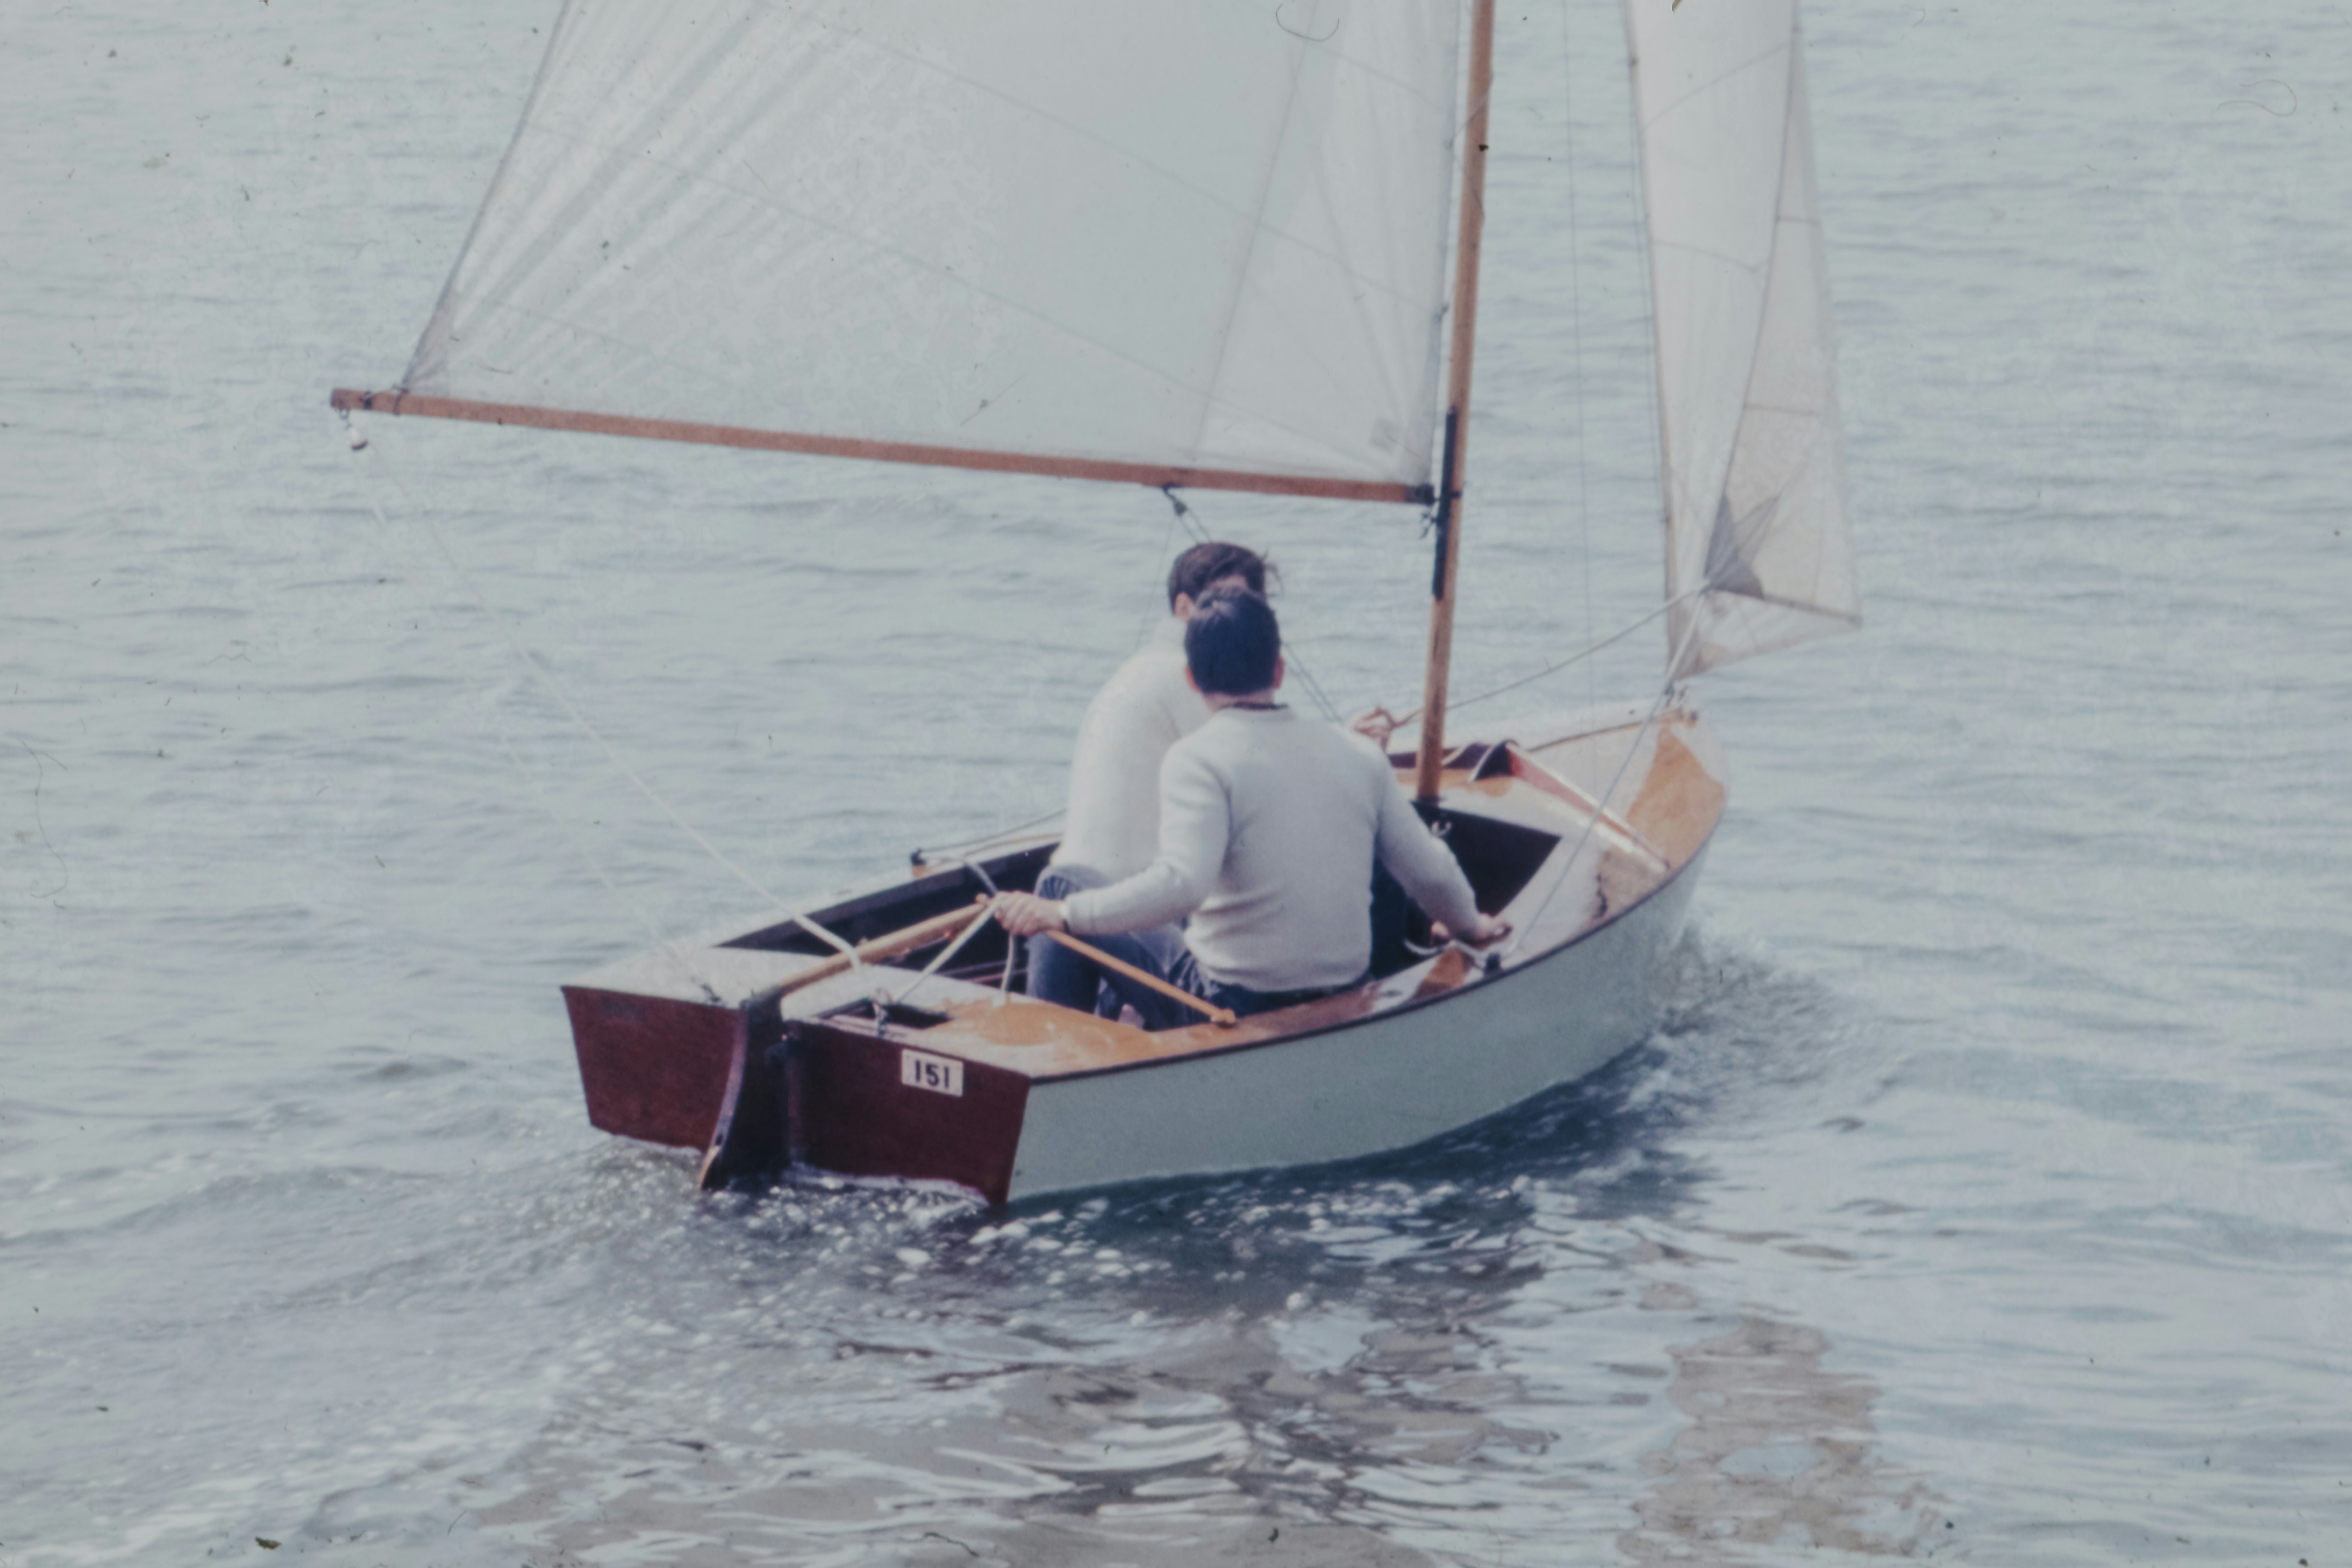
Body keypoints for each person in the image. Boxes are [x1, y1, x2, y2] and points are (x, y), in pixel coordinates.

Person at [1001, 587, 1508, 1027]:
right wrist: (1469, 925)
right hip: (1345, 988)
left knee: (1059, 884)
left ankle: (1050, 1057)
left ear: (1192, 679)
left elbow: (1182, 886)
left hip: (1231, 1003)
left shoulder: (1196, 758)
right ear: (1280, 669)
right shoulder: (1358, 754)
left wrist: (1061, 915)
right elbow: (1428, 870)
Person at [1027, 542, 1268, 1016]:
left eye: (1249, 606)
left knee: (1055, 885)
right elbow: (1255, 775)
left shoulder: (1142, 667)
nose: (1235, 617)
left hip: (1103, 900)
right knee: (1059, 888)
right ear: (1183, 608)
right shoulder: (1182, 675)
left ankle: (1053, 1049)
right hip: (1126, 904)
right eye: (1223, 601)